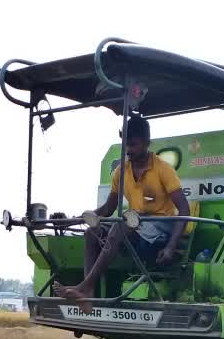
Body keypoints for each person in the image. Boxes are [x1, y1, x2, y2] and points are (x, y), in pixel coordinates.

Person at [54, 114, 190, 309]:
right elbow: (108, 208)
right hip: (134, 224)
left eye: (133, 144)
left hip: (160, 228)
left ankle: (83, 287)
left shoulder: (163, 169)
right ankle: (88, 293)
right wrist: (76, 219)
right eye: (125, 144)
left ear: (146, 143)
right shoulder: (121, 171)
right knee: (92, 232)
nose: (128, 150)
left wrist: (170, 246)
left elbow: (183, 208)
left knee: (120, 228)